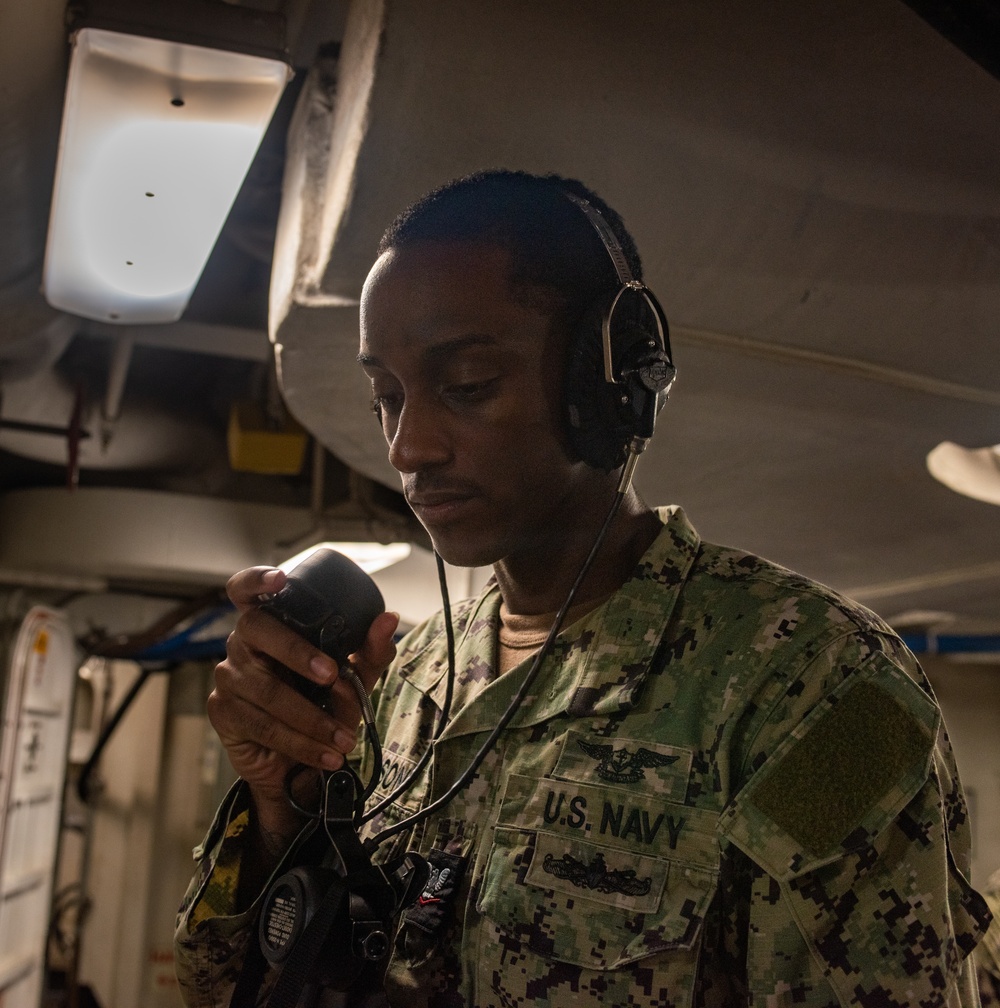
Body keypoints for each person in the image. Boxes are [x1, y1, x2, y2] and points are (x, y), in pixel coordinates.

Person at [175, 170, 992, 1007]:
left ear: (609, 379)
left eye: (467, 387)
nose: (408, 445)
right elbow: (223, 988)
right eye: (387, 397)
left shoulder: (820, 683)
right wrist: (286, 812)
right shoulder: (410, 679)